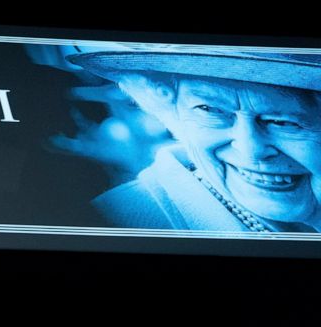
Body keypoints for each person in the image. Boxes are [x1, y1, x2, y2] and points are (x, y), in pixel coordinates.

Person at [68, 49, 321, 233]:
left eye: (283, 122)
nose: (249, 149)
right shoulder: (112, 222)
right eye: (211, 110)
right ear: (171, 109)